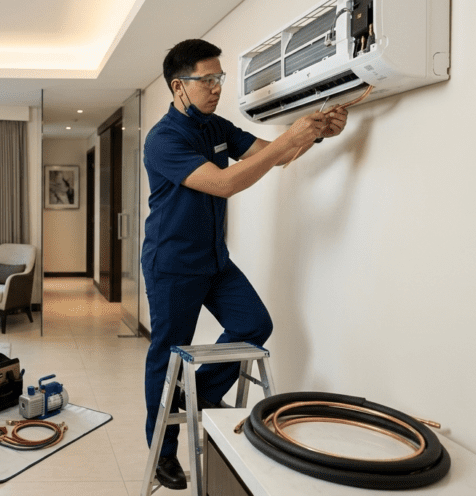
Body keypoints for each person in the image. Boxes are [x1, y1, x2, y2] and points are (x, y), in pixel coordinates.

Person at [142, 39, 347, 490]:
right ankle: (163, 451)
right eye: (207, 79)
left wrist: (316, 135)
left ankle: (202, 394)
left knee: (254, 324)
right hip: (172, 263)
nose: (217, 88)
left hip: (215, 261)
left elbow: (276, 155)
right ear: (179, 86)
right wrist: (290, 138)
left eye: (219, 79)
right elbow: (223, 183)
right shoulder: (163, 139)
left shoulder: (217, 126)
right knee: (167, 351)